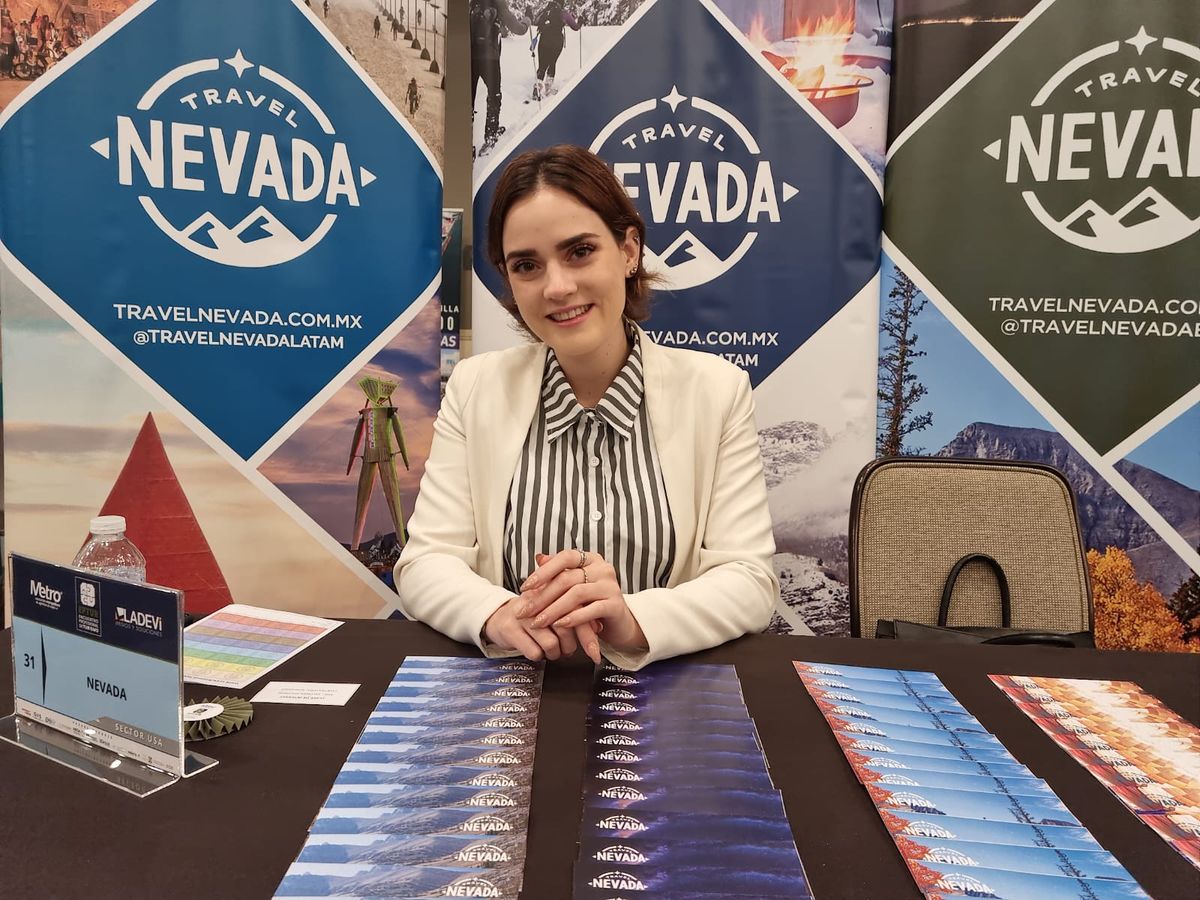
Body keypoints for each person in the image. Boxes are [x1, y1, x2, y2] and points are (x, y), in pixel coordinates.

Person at [394, 145, 778, 671]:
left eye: (579, 252)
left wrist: (629, 617)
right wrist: (499, 611)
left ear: (628, 251)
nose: (557, 287)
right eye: (527, 265)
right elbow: (426, 562)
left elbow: (748, 580)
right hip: (511, 687)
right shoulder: (474, 387)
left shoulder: (717, 391)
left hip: (662, 699)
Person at [469, 0, 529, 156]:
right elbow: (518, 29)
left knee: (469, 98)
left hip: (470, 56)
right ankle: (490, 136)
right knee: (494, 95)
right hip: (490, 59)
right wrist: (527, 21)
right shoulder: (498, 3)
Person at [531, 0, 579, 100]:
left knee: (542, 65)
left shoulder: (546, 11)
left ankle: (537, 90)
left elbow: (536, 21)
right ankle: (548, 88)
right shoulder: (563, 13)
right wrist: (580, 22)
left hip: (543, 41)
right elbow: (575, 27)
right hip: (557, 42)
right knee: (552, 63)